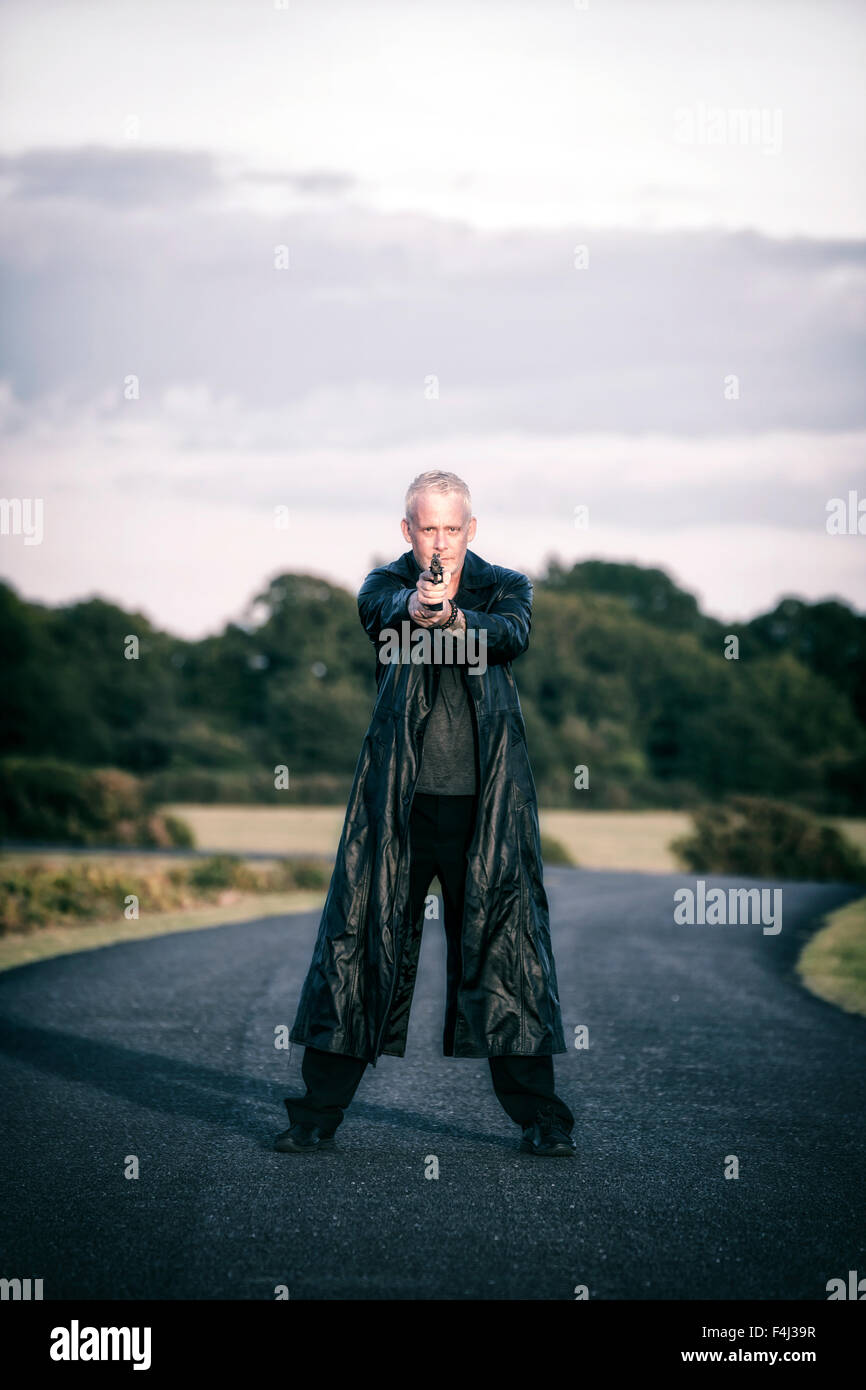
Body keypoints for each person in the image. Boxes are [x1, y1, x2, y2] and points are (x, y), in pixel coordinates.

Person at [275, 470, 575, 1157]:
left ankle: (545, 1122)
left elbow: (510, 635)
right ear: (407, 530)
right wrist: (420, 606)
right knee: (358, 949)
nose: (439, 540)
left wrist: (456, 617)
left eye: (451, 527)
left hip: (484, 816)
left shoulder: (506, 587)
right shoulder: (383, 587)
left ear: (471, 529)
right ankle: (313, 1119)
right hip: (399, 814)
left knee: (508, 960)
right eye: (426, 527)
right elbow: (388, 616)